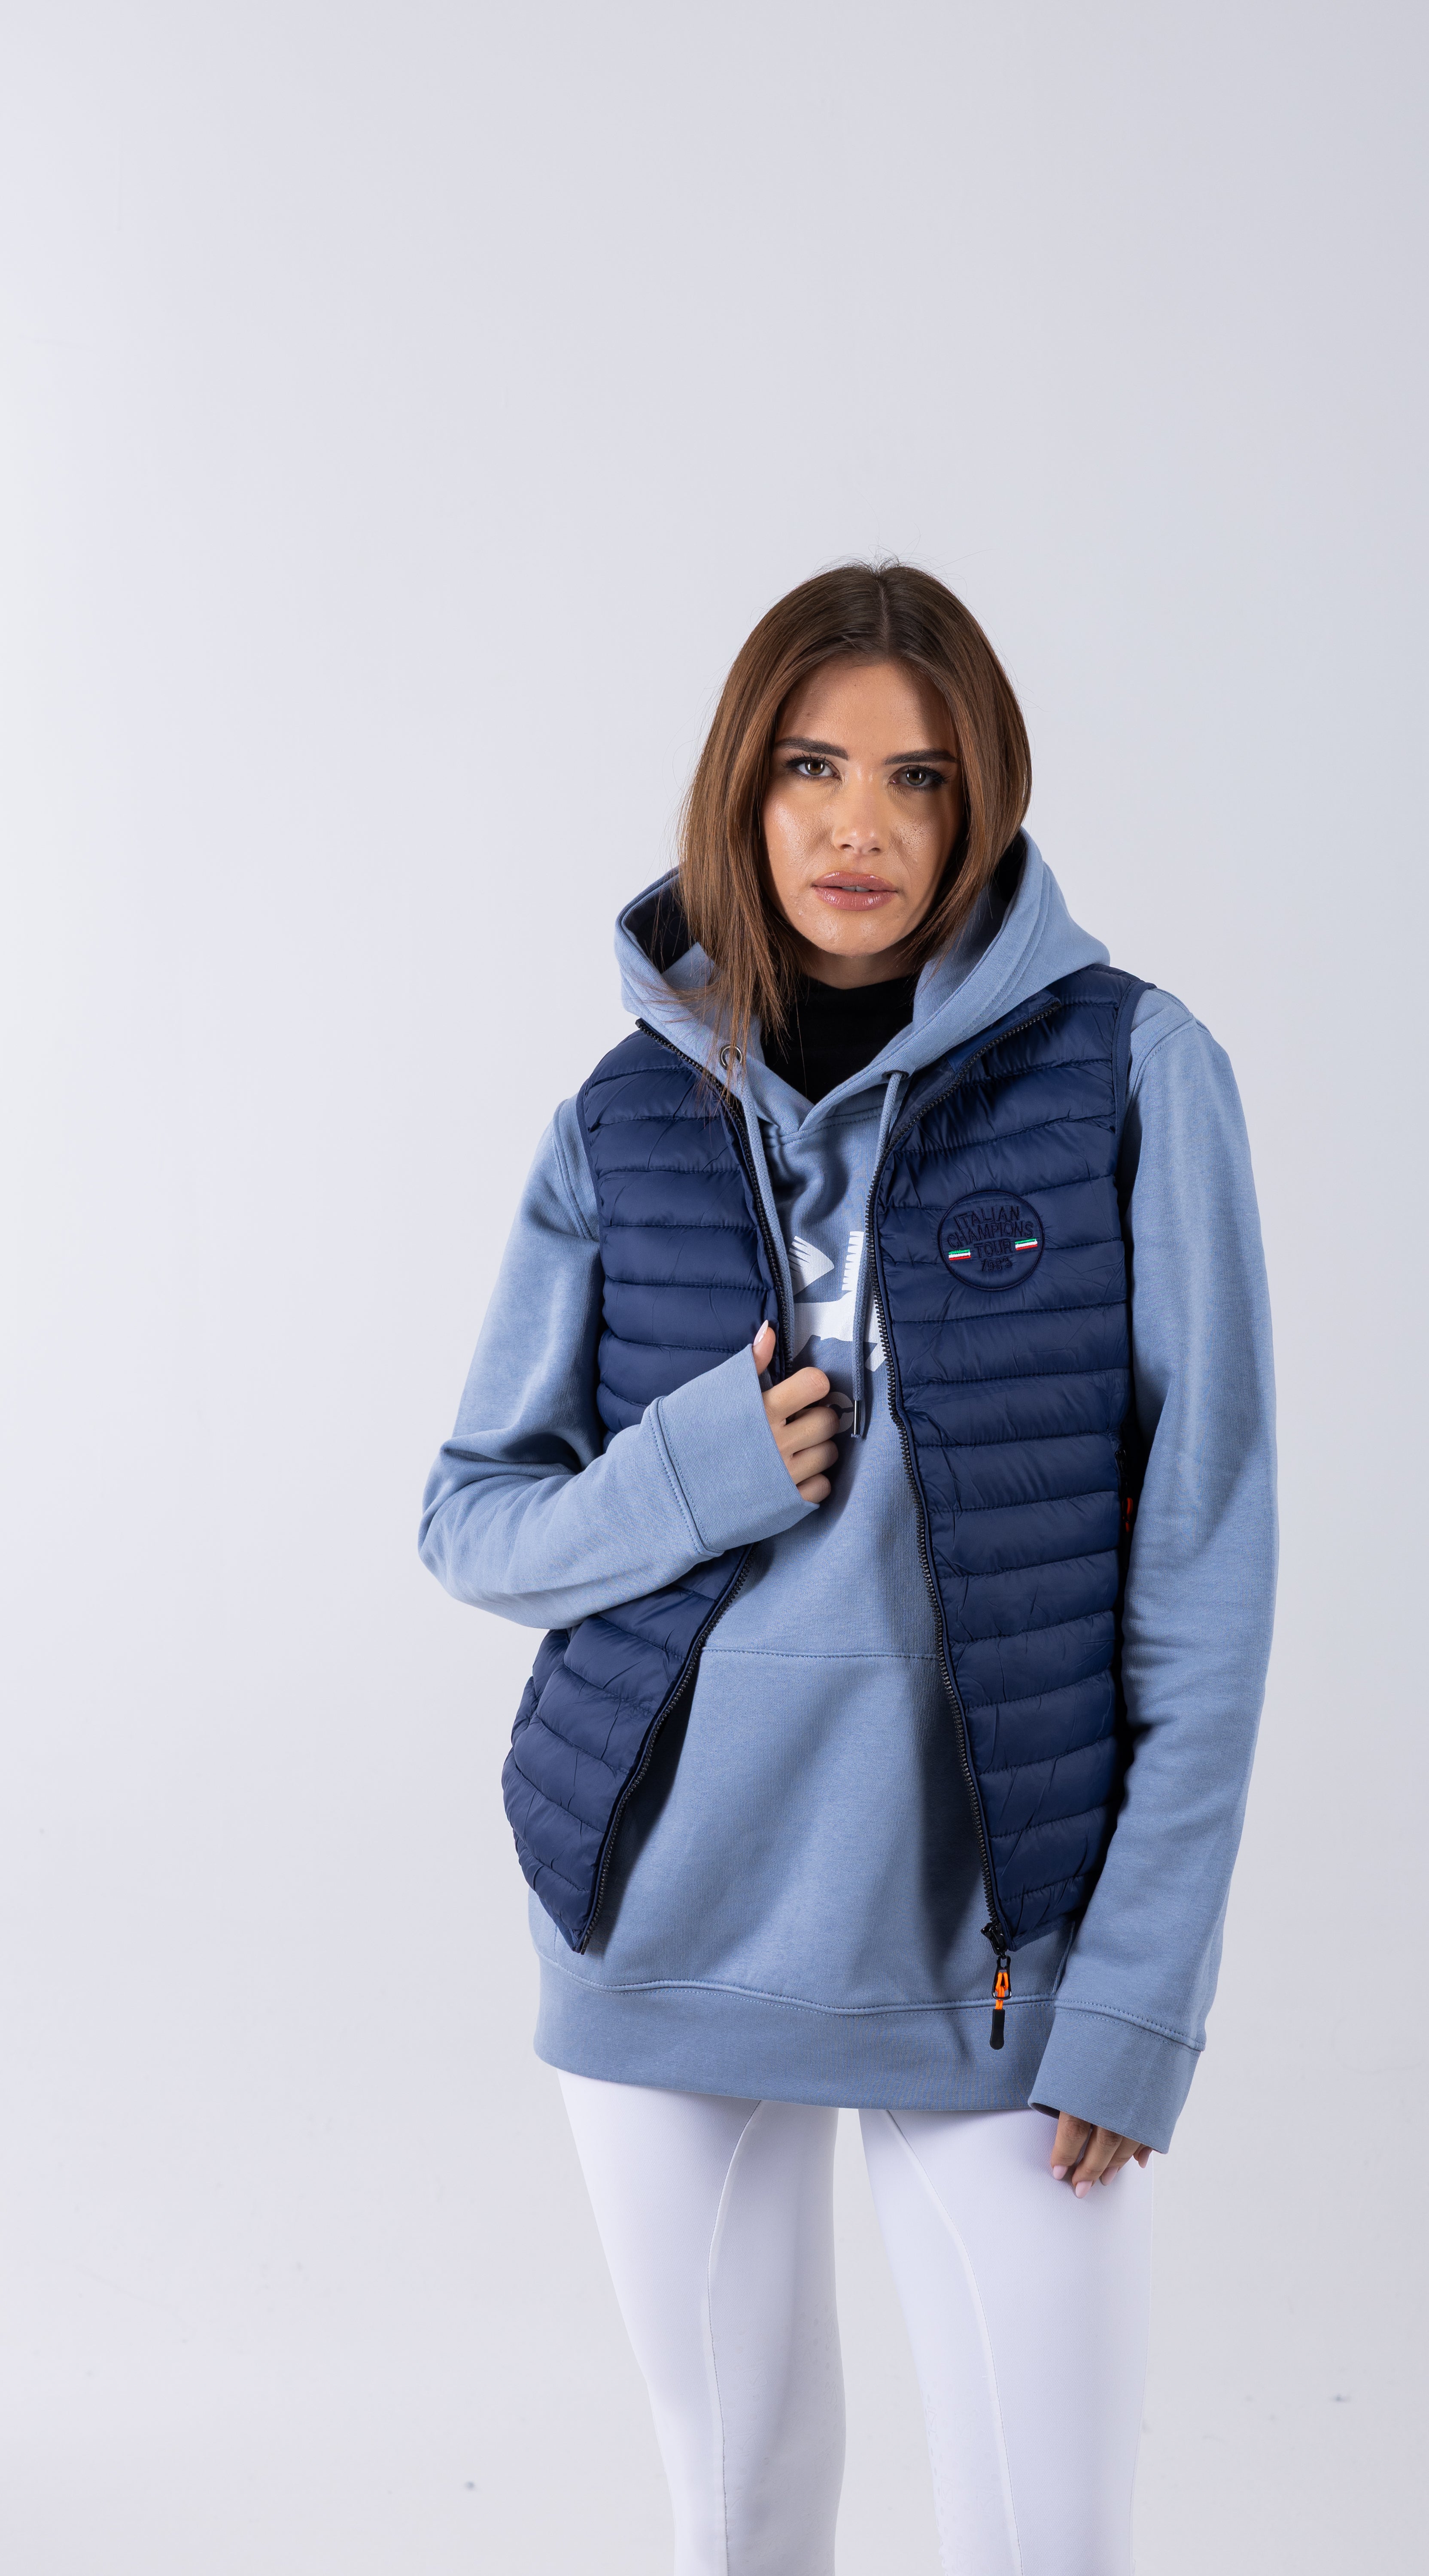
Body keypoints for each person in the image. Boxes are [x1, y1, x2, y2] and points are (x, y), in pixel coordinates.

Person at [419, 562, 1276, 2575]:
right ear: (744, 786)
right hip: (655, 1923)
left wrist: (1140, 1990)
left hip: (1000, 1946)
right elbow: (474, 1517)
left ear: (983, 804)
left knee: (1045, 2542)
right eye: (810, 767)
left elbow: (1208, 1557)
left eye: (918, 775)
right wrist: (696, 1474)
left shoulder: (1130, 1073)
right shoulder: (622, 1117)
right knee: (742, 2522)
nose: (858, 825)